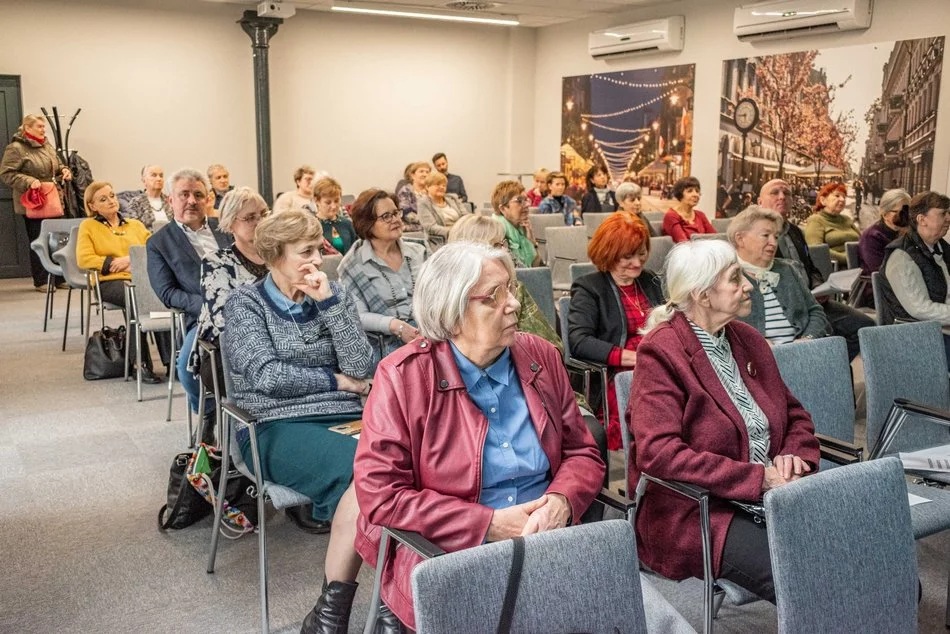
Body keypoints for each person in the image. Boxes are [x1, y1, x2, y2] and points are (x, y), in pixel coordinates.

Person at [354, 241, 605, 631]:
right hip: (453, 551)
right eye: (493, 297)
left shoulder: (540, 356)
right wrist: (486, 523)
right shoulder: (402, 376)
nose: (513, 305)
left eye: (511, 289)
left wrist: (561, 501)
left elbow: (583, 453)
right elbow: (381, 496)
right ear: (452, 313)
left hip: (549, 538)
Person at [630, 238, 820, 603]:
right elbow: (659, 454)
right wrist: (758, 478)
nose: (748, 285)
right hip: (700, 508)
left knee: (874, 561)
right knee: (813, 581)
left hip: (776, 492)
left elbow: (794, 413)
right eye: (735, 279)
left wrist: (794, 453)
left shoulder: (746, 339)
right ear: (702, 296)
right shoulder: (662, 351)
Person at [222, 210, 371, 634]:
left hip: (347, 415)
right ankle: (354, 605)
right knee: (368, 469)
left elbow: (362, 364)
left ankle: (332, 612)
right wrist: (337, 381)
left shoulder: (333, 295)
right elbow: (266, 378)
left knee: (403, 460)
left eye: (318, 249)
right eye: (305, 252)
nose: (318, 261)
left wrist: (329, 306)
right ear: (275, 256)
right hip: (271, 426)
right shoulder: (245, 303)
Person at [568, 212, 664, 450]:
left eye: (641, 253)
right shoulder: (590, 287)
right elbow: (579, 341)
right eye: (627, 256)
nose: (638, 262)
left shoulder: (649, 280)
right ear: (609, 255)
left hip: (656, 362)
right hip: (616, 373)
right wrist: (635, 358)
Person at [147, 168, 231, 428]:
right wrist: (208, 307)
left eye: (198, 194)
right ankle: (209, 414)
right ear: (170, 200)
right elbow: (167, 293)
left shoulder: (226, 229)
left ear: (208, 199)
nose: (192, 201)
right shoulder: (159, 242)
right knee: (187, 368)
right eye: (184, 194)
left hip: (244, 309)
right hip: (202, 318)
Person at [759, 178, 873, 361]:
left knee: (864, 326)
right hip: (786, 306)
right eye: (774, 192)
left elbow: (810, 268)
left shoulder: (795, 232)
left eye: (787, 193)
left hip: (813, 300)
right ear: (760, 202)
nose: (782, 197)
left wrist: (820, 286)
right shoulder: (755, 236)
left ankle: (831, 369)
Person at [190, 187, 269, 410]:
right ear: (231, 223)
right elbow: (224, 319)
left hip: (278, 345)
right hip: (225, 351)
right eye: (250, 217)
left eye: (264, 214)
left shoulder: (279, 256)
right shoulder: (216, 262)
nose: (260, 221)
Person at [75, 181, 160, 383]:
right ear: (92, 205)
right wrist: (114, 263)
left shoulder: (135, 225)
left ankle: (170, 360)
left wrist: (130, 260)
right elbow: (84, 259)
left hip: (139, 278)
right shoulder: (88, 226)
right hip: (109, 282)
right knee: (137, 300)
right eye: (103, 199)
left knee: (161, 297)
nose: (111, 201)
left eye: (112, 195)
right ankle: (140, 363)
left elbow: (153, 250)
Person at [338, 188, 425, 359]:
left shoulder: (419, 251)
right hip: (384, 345)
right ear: (367, 224)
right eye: (386, 216)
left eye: (396, 213)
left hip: (428, 335)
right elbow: (357, 316)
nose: (396, 220)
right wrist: (395, 326)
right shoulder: (353, 265)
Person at [728, 206, 832, 348]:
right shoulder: (728, 275)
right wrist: (756, 345)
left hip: (800, 351)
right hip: (754, 358)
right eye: (766, 235)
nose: (773, 242)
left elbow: (815, 311)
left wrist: (807, 339)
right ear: (740, 239)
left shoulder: (788, 269)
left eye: (776, 236)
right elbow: (719, 326)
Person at [0, 114, 72, 292]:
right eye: (39, 126)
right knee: (39, 239)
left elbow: (57, 164)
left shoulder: (46, 145)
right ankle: (42, 280)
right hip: (34, 202)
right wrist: (28, 181)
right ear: (27, 128)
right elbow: (6, 173)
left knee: (57, 239)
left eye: (43, 126)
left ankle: (60, 277)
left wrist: (64, 170)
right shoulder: (15, 148)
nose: (43, 130)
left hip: (53, 198)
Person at [880, 191, 950, 355]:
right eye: (942, 214)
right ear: (921, 219)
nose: (948, 218)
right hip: (916, 336)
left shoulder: (941, 247)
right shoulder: (902, 257)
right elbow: (920, 308)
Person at [804, 182, 859, 268]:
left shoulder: (846, 219)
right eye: (837, 196)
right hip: (835, 270)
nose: (842, 199)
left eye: (844, 197)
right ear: (823, 200)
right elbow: (815, 250)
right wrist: (848, 258)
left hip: (857, 266)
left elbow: (862, 241)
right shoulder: (816, 220)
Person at [859, 188, 911, 276]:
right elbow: (880, 270)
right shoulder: (872, 237)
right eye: (899, 212)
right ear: (885, 214)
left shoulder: (907, 233)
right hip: (877, 286)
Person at [491, 179, 539, 268]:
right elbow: (514, 272)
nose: (527, 205)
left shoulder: (522, 228)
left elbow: (537, 269)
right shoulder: (496, 233)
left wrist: (532, 242)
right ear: (503, 208)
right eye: (519, 201)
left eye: (526, 200)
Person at [417, 170, 468, 251]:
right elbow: (431, 227)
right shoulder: (423, 203)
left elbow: (466, 216)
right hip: (439, 242)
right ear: (427, 187)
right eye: (437, 184)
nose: (442, 187)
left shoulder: (453, 198)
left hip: (461, 237)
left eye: (444, 185)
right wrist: (454, 232)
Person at [662, 176, 715, 243]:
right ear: (680, 194)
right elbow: (683, 242)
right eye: (690, 191)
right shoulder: (671, 216)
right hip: (683, 252)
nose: (696, 194)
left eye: (697, 191)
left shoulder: (700, 215)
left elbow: (714, 237)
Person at [313, 176, 357, 255]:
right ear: (316, 200)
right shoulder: (311, 227)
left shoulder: (347, 224)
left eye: (336, 201)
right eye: (328, 202)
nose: (333, 206)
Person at [125, 165, 172, 230]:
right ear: (144, 180)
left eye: (161, 176)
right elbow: (134, 230)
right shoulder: (135, 203)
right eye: (154, 175)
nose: (159, 179)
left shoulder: (171, 201)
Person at [396, 161, 430, 233]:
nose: (425, 174)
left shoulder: (431, 192)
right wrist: (428, 222)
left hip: (432, 229)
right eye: (421, 171)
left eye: (427, 172)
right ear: (413, 175)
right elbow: (406, 213)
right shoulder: (405, 191)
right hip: (413, 230)